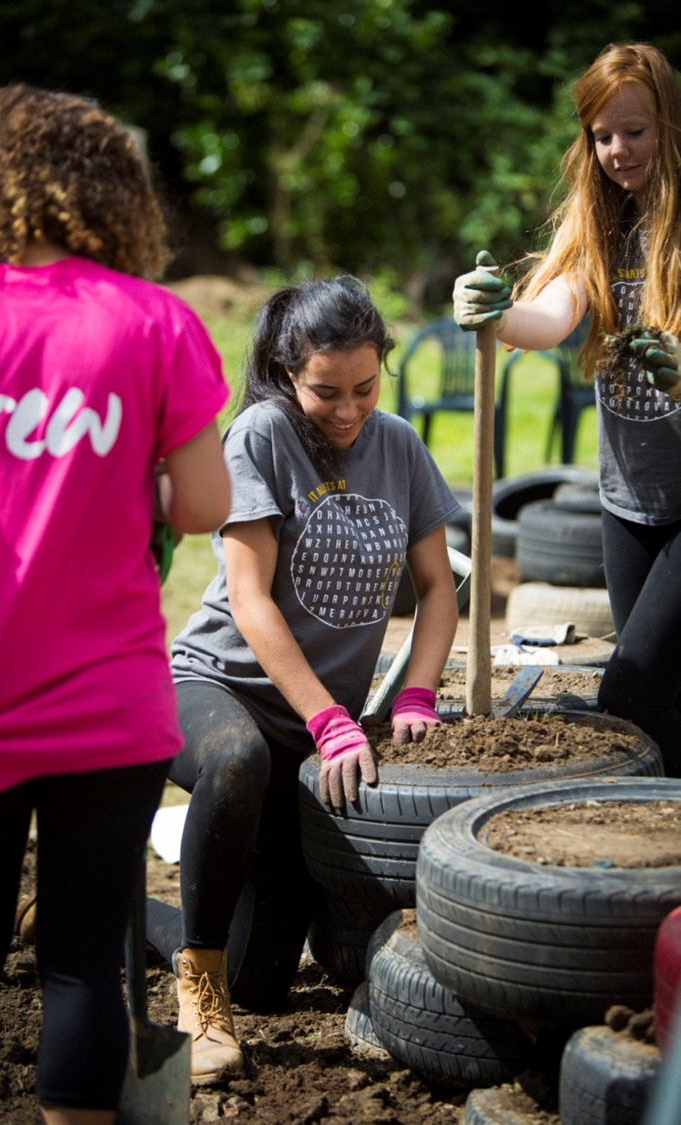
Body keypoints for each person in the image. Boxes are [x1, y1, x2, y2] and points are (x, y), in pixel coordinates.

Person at [0, 86, 232, 1125]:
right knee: (77, 964)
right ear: (117, 194)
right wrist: (123, 480)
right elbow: (204, 505)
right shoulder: (155, 320)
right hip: (110, 711)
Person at [145, 274, 461, 1085]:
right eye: (327, 391)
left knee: (264, 980)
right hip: (216, 688)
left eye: (364, 387)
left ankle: (133, 917)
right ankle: (195, 995)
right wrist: (329, 717)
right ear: (289, 371)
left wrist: (418, 692)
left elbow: (437, 586)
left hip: (315, 727)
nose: (349, 410)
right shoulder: (260, 434)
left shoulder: (398, 445)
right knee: (238, 761)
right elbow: (249, 599)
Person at [452, 41, 681, 777]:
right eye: (602, 135)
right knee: (659, 698)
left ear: (671, 125)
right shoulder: (600, 228)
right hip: (628, 501)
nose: (617, 150)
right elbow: (548, 319)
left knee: (631, 687)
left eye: (635, 131)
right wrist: (492, 312)